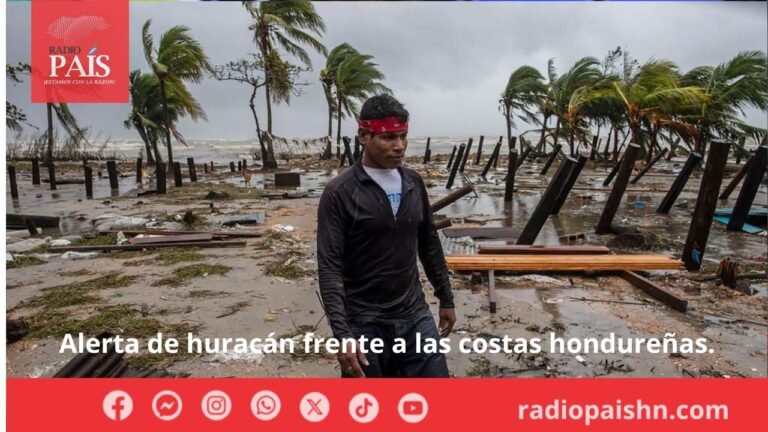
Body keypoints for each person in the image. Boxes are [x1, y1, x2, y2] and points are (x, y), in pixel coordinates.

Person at [317, 94, 456, 378]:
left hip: (414, 314)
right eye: (389, 137)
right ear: (363, 137)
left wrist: (446, 297)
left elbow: (429, 244)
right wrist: (343, 334)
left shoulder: (413, 182)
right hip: (364, 322)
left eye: (403, 136)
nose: (400, 146)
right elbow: (329, 266)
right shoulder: (340, 193)